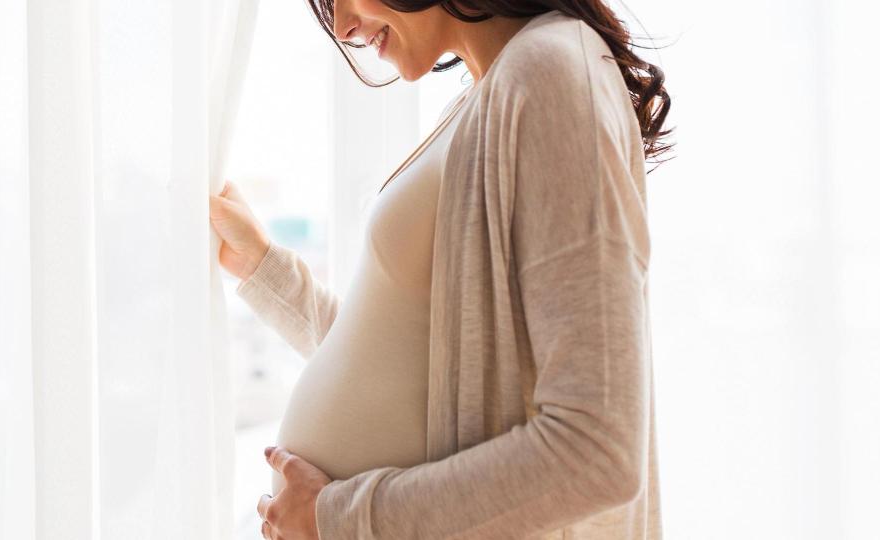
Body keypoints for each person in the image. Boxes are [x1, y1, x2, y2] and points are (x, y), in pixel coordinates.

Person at [208, 1, 671, 538]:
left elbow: (597, 453)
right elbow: (410, 363)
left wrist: (338, 518)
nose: (343, 28)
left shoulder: (552, 71)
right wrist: (267, 272)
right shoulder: (488, 91)